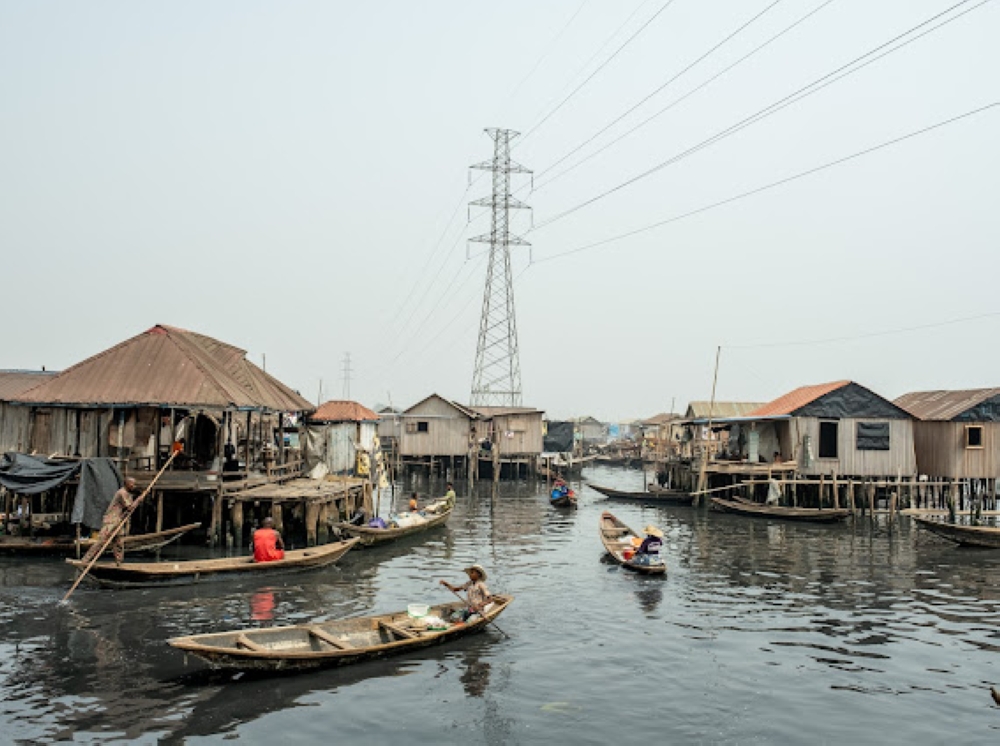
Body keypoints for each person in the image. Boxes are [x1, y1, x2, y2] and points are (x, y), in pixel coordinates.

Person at [80, 477, 138, 566]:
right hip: (111, 520)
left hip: (118, 520)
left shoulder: (128, 494)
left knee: (118, 542)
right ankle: (85, 560)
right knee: (101, 541)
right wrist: (139, 500)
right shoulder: (121, 493)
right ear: (127, 484)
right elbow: (129, 507)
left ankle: (119, 563)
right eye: (132, 484)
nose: (134, 486)